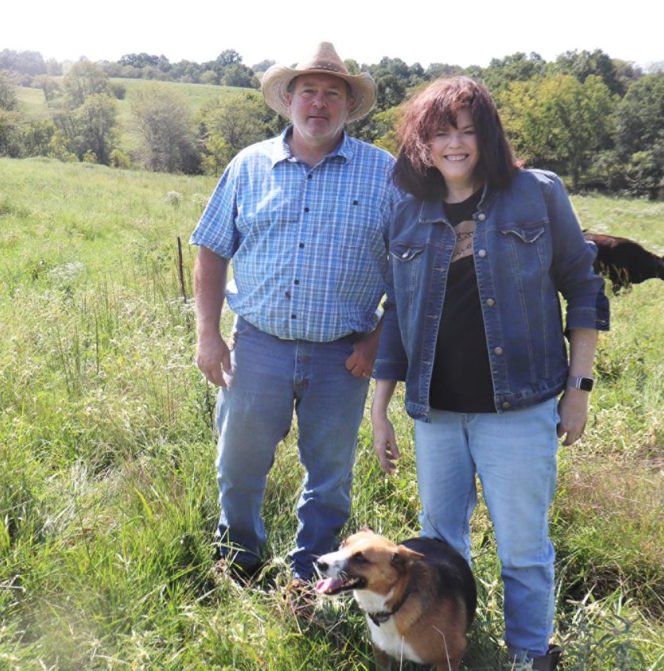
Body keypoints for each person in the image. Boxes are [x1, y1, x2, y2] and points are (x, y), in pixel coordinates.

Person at [370, 76, 609, 670]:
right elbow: (396, 313)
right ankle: (450, 648)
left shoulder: (535, 194)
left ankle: (529, 655)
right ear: (421, 141)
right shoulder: (406, 213)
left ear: (489, 137)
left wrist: (578, 389)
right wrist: (380, 407)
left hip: (520, 408)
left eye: (469, 130)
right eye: (441, 131)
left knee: (523, 547)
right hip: (437, 412)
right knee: (439, 546)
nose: (456, 143)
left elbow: (582, 287)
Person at [190, 42, 402, 588]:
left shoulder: (385, 174)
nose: (319, 103)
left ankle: (314, 576)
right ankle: (240, 558)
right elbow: (212, 250)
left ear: (349, 106)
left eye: (333, 93)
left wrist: (379, 340)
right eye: (308, 90)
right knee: (238, 468)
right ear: (288, 99)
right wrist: (208, 336)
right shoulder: (249, 166)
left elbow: (411, 270)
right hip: (257, 346)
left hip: (344, 355)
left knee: (329, 476)